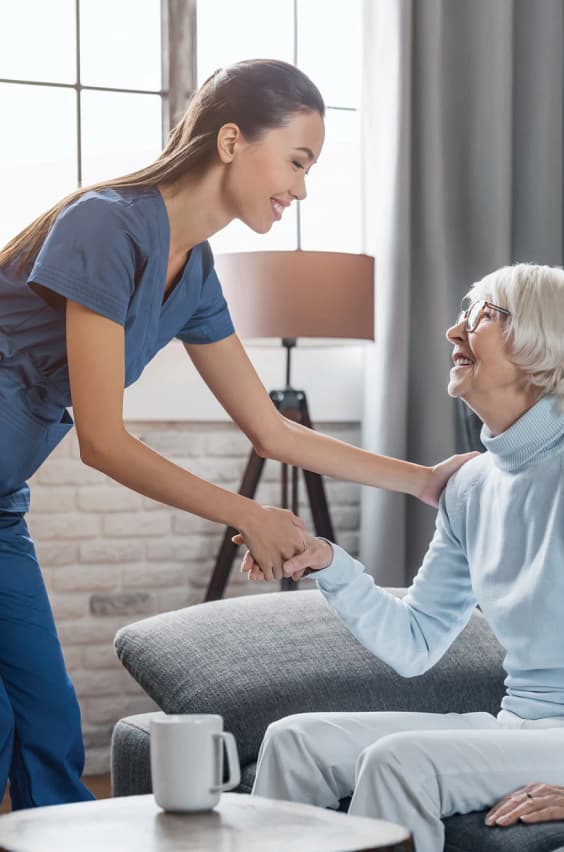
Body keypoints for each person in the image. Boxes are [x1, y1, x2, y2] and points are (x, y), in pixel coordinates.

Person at [0, 59, 473, 809]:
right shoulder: (105, 224)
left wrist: (423, 481)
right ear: (230, 142)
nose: (302, 189)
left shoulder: (194, 271)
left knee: (47, 726)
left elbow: (271, 430)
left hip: (2, 507)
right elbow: (103, 440)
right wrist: (249, 513)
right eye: (297, 161)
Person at [244, 263, 564, 852]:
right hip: (520, 726)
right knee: (294, 741)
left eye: (482, 316)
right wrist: (330, 564)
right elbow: (416, 642)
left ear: (545, 343)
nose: (454, 331)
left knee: (398, 762)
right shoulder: (471, 485)